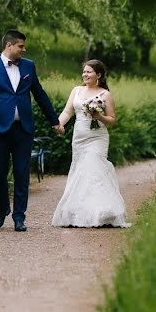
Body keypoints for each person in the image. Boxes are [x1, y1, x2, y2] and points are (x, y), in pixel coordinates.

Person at [0, 29, 64, 232]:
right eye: (21, 46)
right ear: (9, 46)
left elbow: (40, 95)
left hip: (23, 130)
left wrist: (54, 120)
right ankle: (2, 211)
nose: (23, 50)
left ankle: (19, 217)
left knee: (22, 173)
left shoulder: (28, 66)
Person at [51, 60, 130, 228]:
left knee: (94, 167)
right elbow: (67, 111)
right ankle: (80, 213)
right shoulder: (76, 91)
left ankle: (102, 212)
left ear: (98, 75)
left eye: (89, 72)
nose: (85, 75)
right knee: (80, 171)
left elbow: (112, 119)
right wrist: (59, 124)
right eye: (84, 72)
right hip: (79, 137)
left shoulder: (105, 95)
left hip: (98, 138)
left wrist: (99, 117)